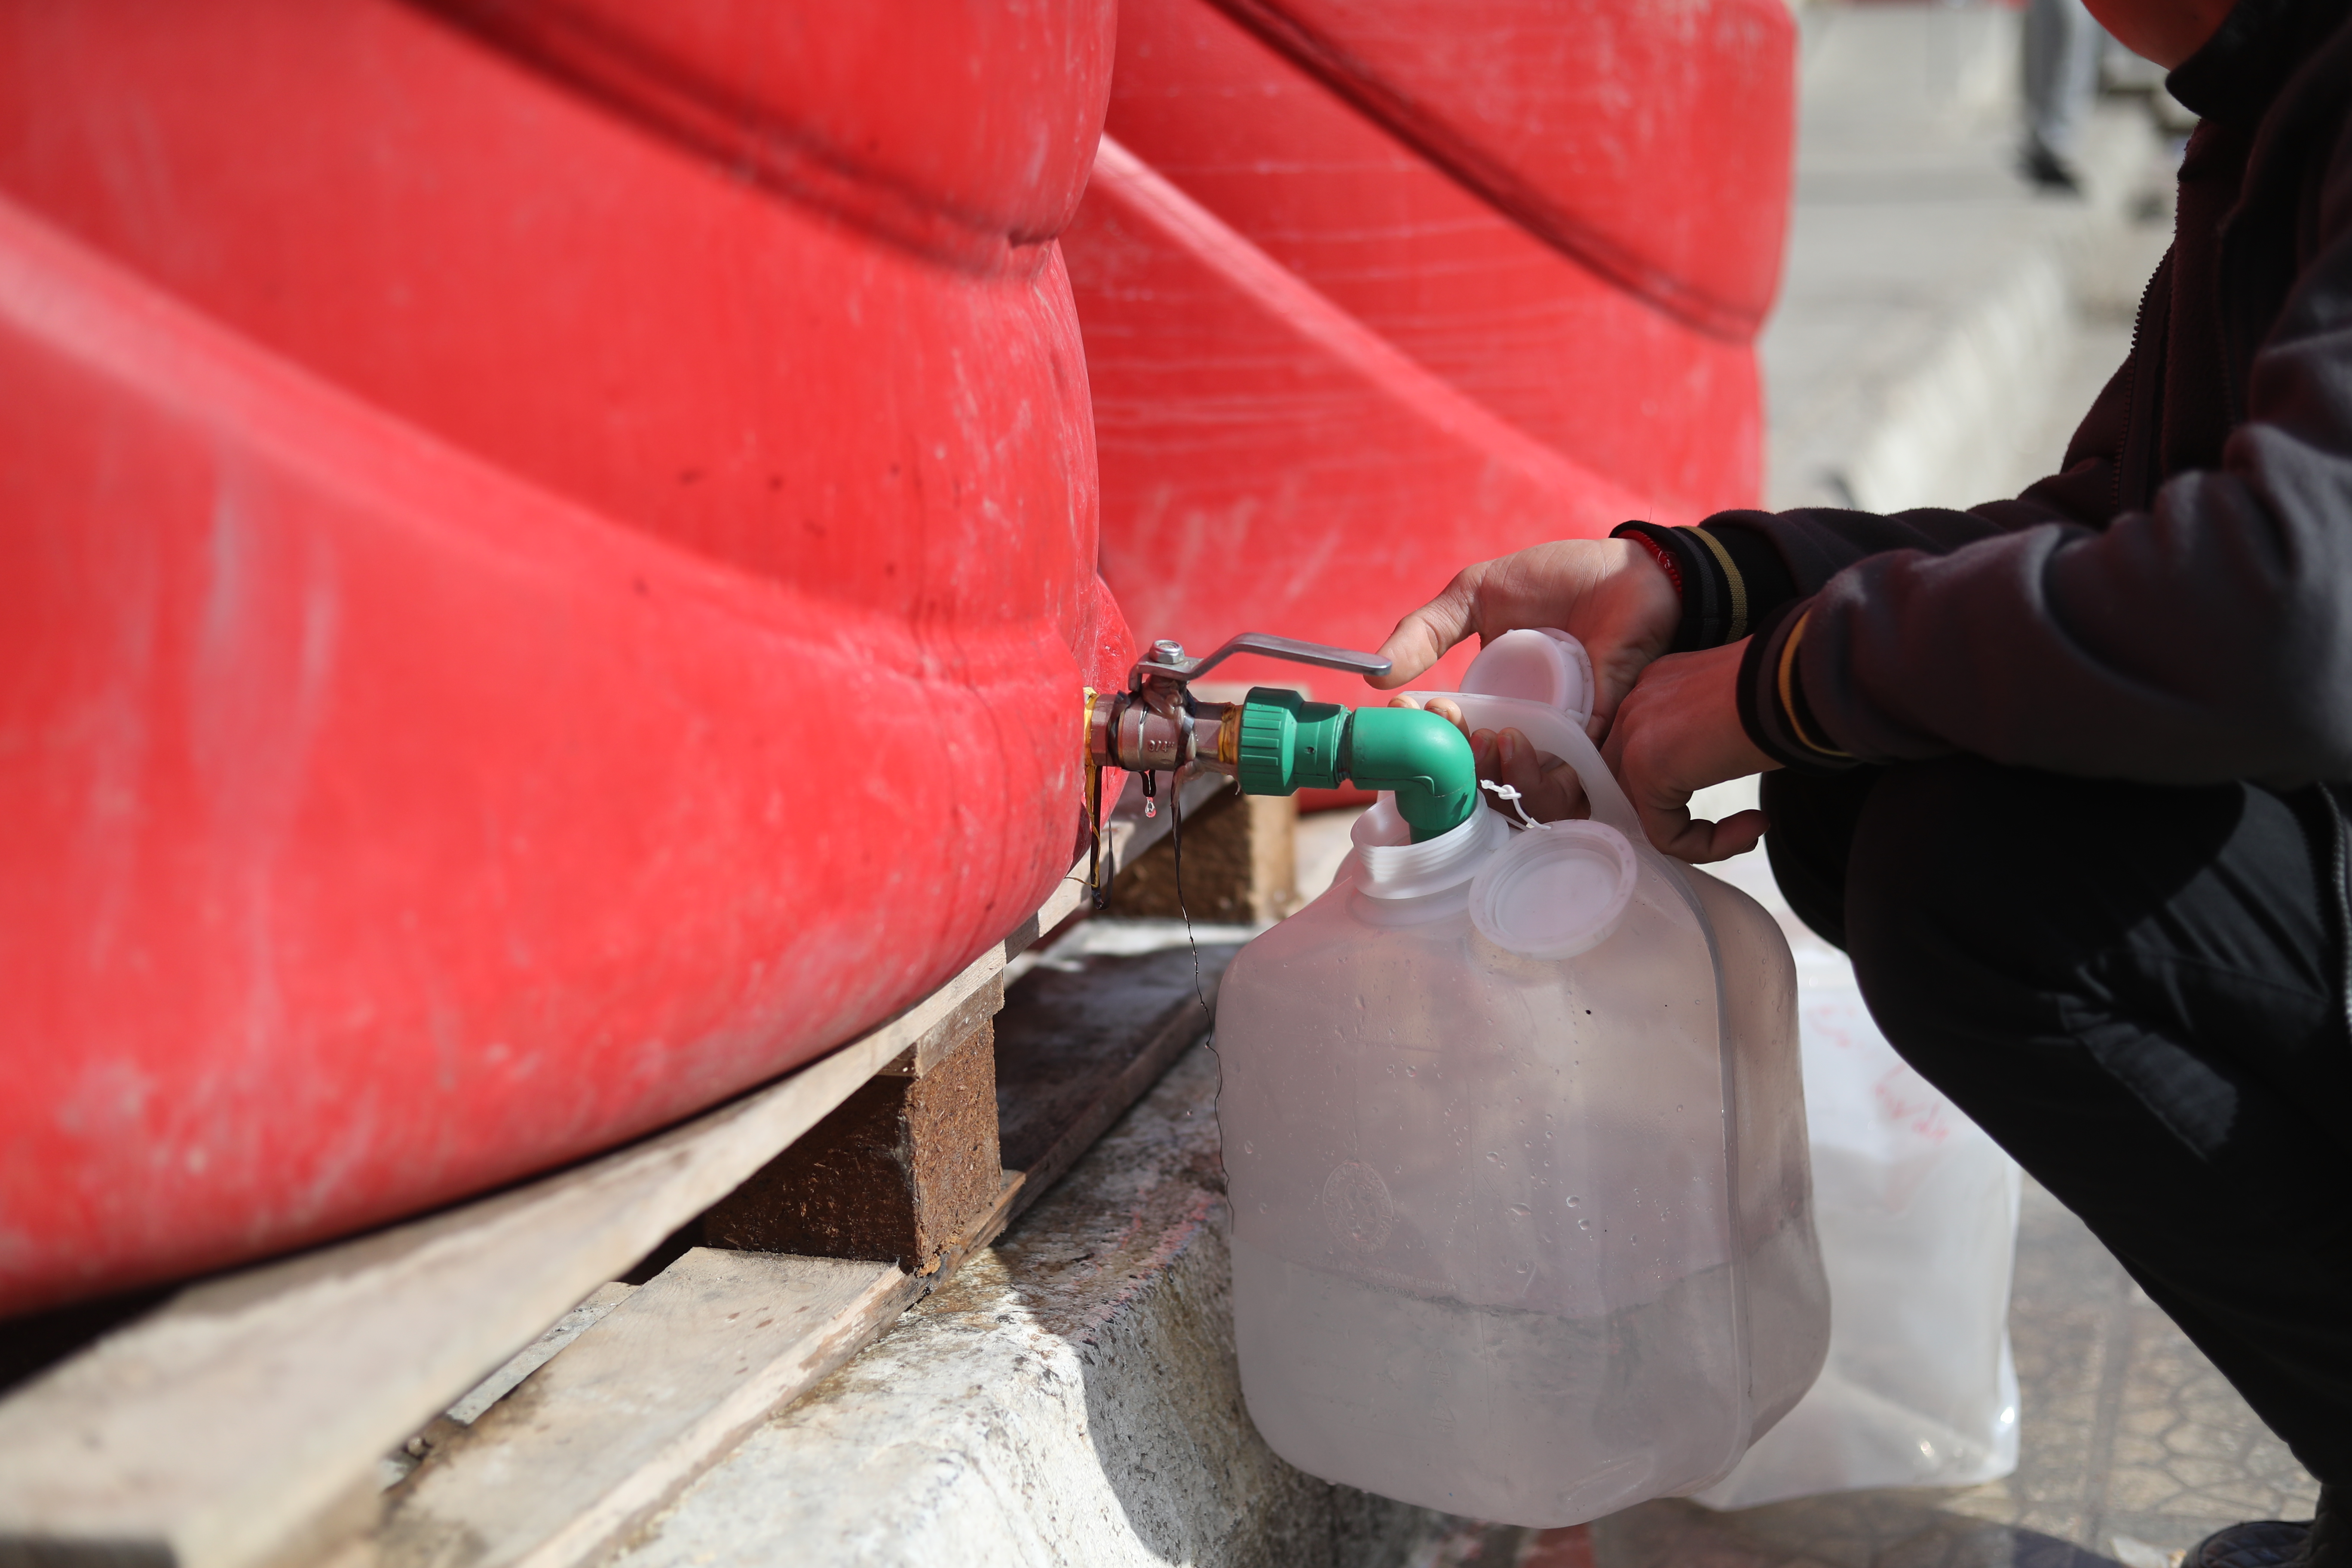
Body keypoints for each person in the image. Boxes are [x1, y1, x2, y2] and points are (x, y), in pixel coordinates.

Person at [1370, 0, 2350, 1559]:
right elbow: (2112, 530)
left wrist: (1787, 683)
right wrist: (1708, 590)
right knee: (1876, 794)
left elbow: (2288, 610)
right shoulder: (2274, 110)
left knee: (1977, 867)